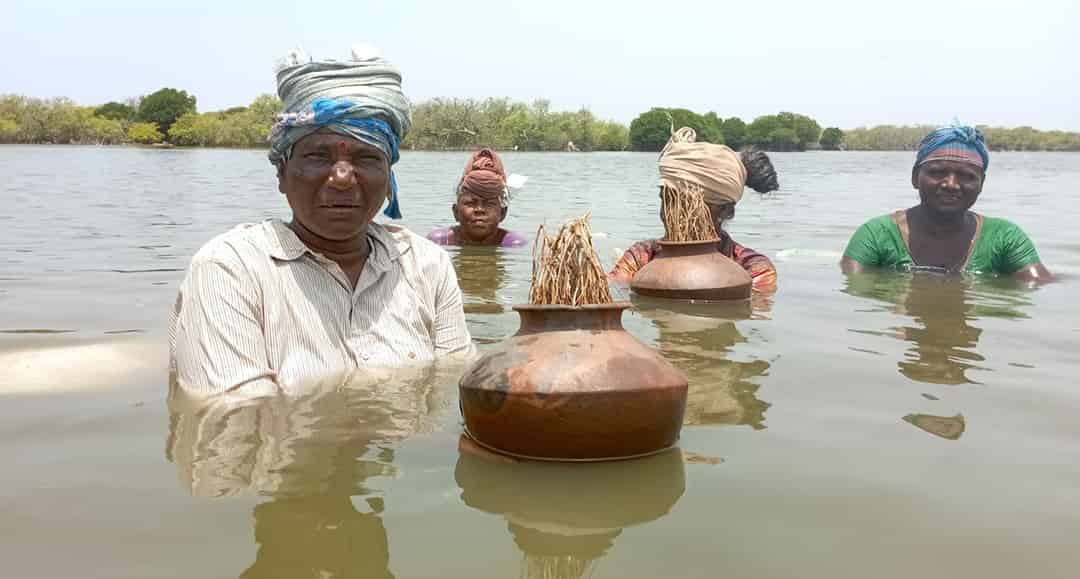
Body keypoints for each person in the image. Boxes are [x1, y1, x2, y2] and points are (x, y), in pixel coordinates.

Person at [169, 44, 472, 397]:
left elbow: (454, 389)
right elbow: (234, 419)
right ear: (282, 173)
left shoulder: (427, 265)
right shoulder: (230, 269)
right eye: (317, 156)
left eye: (367, 157)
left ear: (389, 178)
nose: (342, 177)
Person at [841, 124, 1051, 282]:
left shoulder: (1004, 238)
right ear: (915, 177)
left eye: (967, 176)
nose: (951, 184)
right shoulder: (876, 234)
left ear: (981, 184)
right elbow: (854, 296)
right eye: (937, 172)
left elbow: (1039, 288)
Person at [608, 133, 781, 291]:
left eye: (687, 205)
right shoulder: (641, 257)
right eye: (666, 201)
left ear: (726, 211)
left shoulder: (753, 269)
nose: (670, 216)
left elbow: (755, 307)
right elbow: (616, 293)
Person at [426, 148, 527, 247]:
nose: (479, 210)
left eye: (489, 204)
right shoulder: (439, 242)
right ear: (456, 212)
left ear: (503, 213)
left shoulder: (513, 244)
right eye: (470, 203)